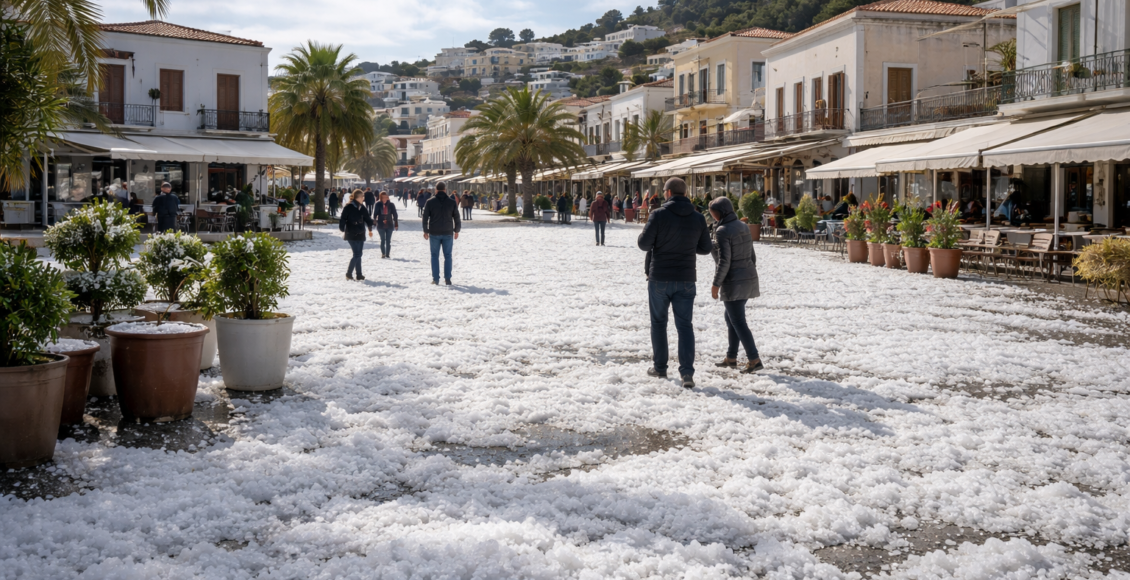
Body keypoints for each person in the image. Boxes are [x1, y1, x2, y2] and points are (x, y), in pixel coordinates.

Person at [636, 177, 712, 389]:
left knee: (659, 324)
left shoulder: (658, 214)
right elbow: (706, 248)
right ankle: (687, 373)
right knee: (685, 326)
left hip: (660, 276)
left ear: (667, 193)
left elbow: (644, 244)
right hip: (686, 278)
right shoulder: (698, 218)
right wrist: (687, 246)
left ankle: (660, 367)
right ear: (685, 194)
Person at [707, 196, 763, 374]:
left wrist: (716, 284)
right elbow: (752, 256)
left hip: (734, 281)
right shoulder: (743, 226)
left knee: (738, 321)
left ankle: (754, 359)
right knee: (731, 318)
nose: (712, 216)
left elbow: (724, 261)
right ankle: (731, 357)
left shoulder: (723, 230)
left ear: (721, 212)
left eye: (713, 213)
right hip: (747, 277)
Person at [422, 183, 461, 285]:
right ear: (445, 189)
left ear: (436, 190)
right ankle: (447, 278)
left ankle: (436, 279)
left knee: (434, 256)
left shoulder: (430, 202)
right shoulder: (452, 202)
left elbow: (425, 217)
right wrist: (457, 230)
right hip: (448, 232)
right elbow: (456, 217)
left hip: (434, 232)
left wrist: (425, 230)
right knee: (448, 255)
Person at [339, 189, 373, 281]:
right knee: (357, 254)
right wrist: (342, 227)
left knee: (359, 254)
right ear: (358, 197)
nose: (363, 198)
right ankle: (349, 273)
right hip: (351, 233)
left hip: (361, 233)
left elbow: (367, 218)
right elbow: (343, 218)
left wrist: (372, 224)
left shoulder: (362, 207)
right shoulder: (348, 207)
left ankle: (359, 274)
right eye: (362, 196)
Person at [374, 191, 399, 258]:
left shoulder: (391, 205)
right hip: (381, 224)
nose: (385, 198)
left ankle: (387, 254)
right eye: (383, 197)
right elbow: (375, 214)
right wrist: (374, 220)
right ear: (380, 198)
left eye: (386, 197)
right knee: (382, 240)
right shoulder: (378, 204)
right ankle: (383, 253)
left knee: (388, 240)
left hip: (389, 223)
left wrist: (396, 223)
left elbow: (395, 214)